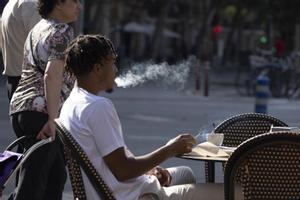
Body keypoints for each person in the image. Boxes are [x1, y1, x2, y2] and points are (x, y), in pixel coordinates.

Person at [59, 34, 226, 200]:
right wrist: (169, 150)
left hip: (118, 188)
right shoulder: (97, 107)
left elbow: (112, 162)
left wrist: (148, 171)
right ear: (97, 68)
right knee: (236, 192)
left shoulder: (71, 103)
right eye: (112, 63)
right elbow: (123, 170)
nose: (116, 70)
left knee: (185, 172)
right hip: (135, 196)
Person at [9, 0, 81, 199]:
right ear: (58, 3)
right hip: (41, 113)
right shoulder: (63, 31)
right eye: (74, 1)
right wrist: (52, 118)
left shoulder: (38, 29)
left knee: (55, 176)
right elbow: (52, 74)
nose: (79, 5)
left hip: (21, 109)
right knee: (34, 181)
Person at [1, 0, 41, 101]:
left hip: (15, 80)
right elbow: (41, 48)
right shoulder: (31, 5)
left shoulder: (10, 4)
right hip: (31, 85)